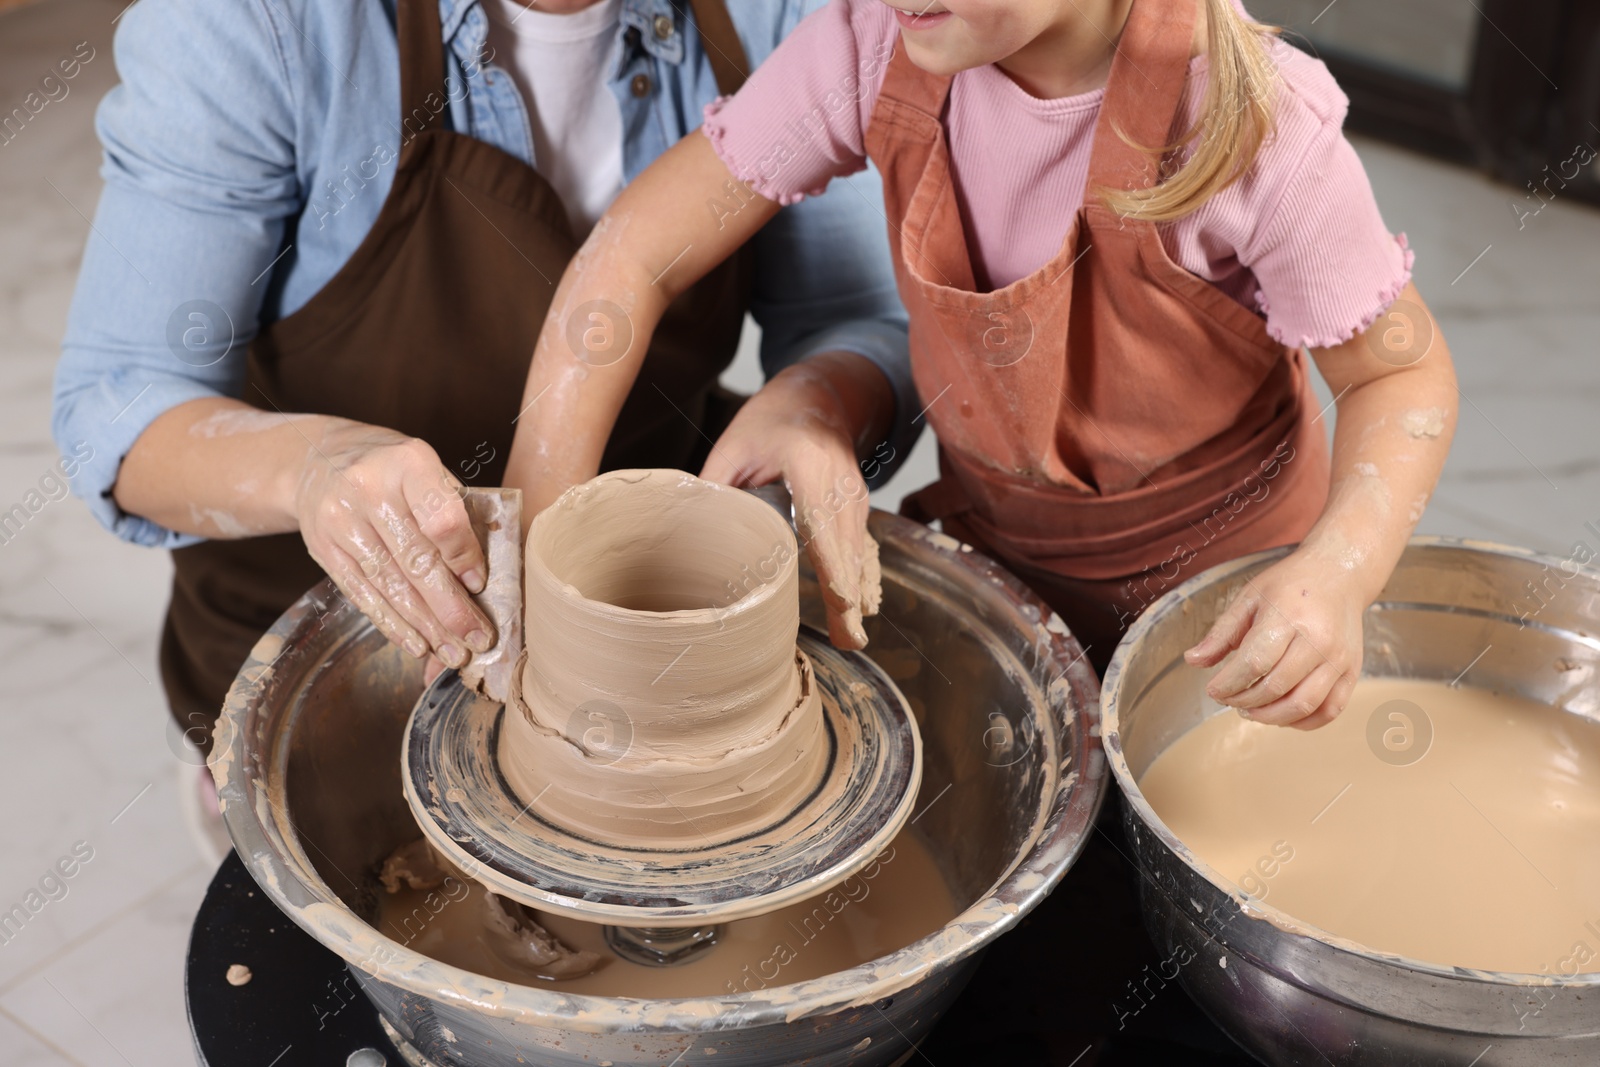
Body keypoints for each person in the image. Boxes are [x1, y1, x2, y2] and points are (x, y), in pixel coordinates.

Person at [501, 0, 1460, 729]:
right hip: (1004, 569)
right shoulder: (875, 42)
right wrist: (534, 540)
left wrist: (1336, 574)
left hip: (1229, 616)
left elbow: (1400, 378)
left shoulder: (1254, 123)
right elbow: (632, 254)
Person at [52, 0, 915, 758]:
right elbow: (117, 408)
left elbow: (861, 316)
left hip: (651, 641)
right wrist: (313, 466)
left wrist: (823, 394)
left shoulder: (791, 17)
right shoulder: (259, 23)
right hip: (326, 650)